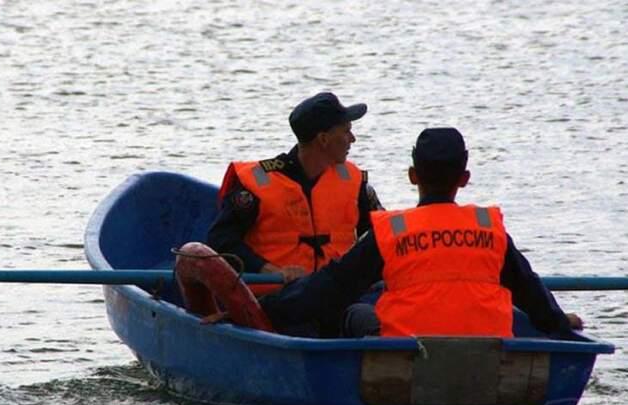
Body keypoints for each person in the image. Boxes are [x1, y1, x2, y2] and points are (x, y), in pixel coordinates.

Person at [260, 127, 584, 338]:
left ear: (413, 176)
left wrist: (266, 309)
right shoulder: (489, 230)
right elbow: (531, 293)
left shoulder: (392, 232)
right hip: (490, 351)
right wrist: (560, 325)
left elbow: (330, 288)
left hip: (407, 355)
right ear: (465, 178)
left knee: (353, 313)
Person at [207, 92, 384, 299]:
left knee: (363, 317)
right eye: (346, 132)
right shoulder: (257, 183)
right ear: (323, 139)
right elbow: (220, 240)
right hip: (278, 300)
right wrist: (270, 270)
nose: (352, 139)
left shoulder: (353, 181)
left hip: (337, 297)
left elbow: (379, 235)